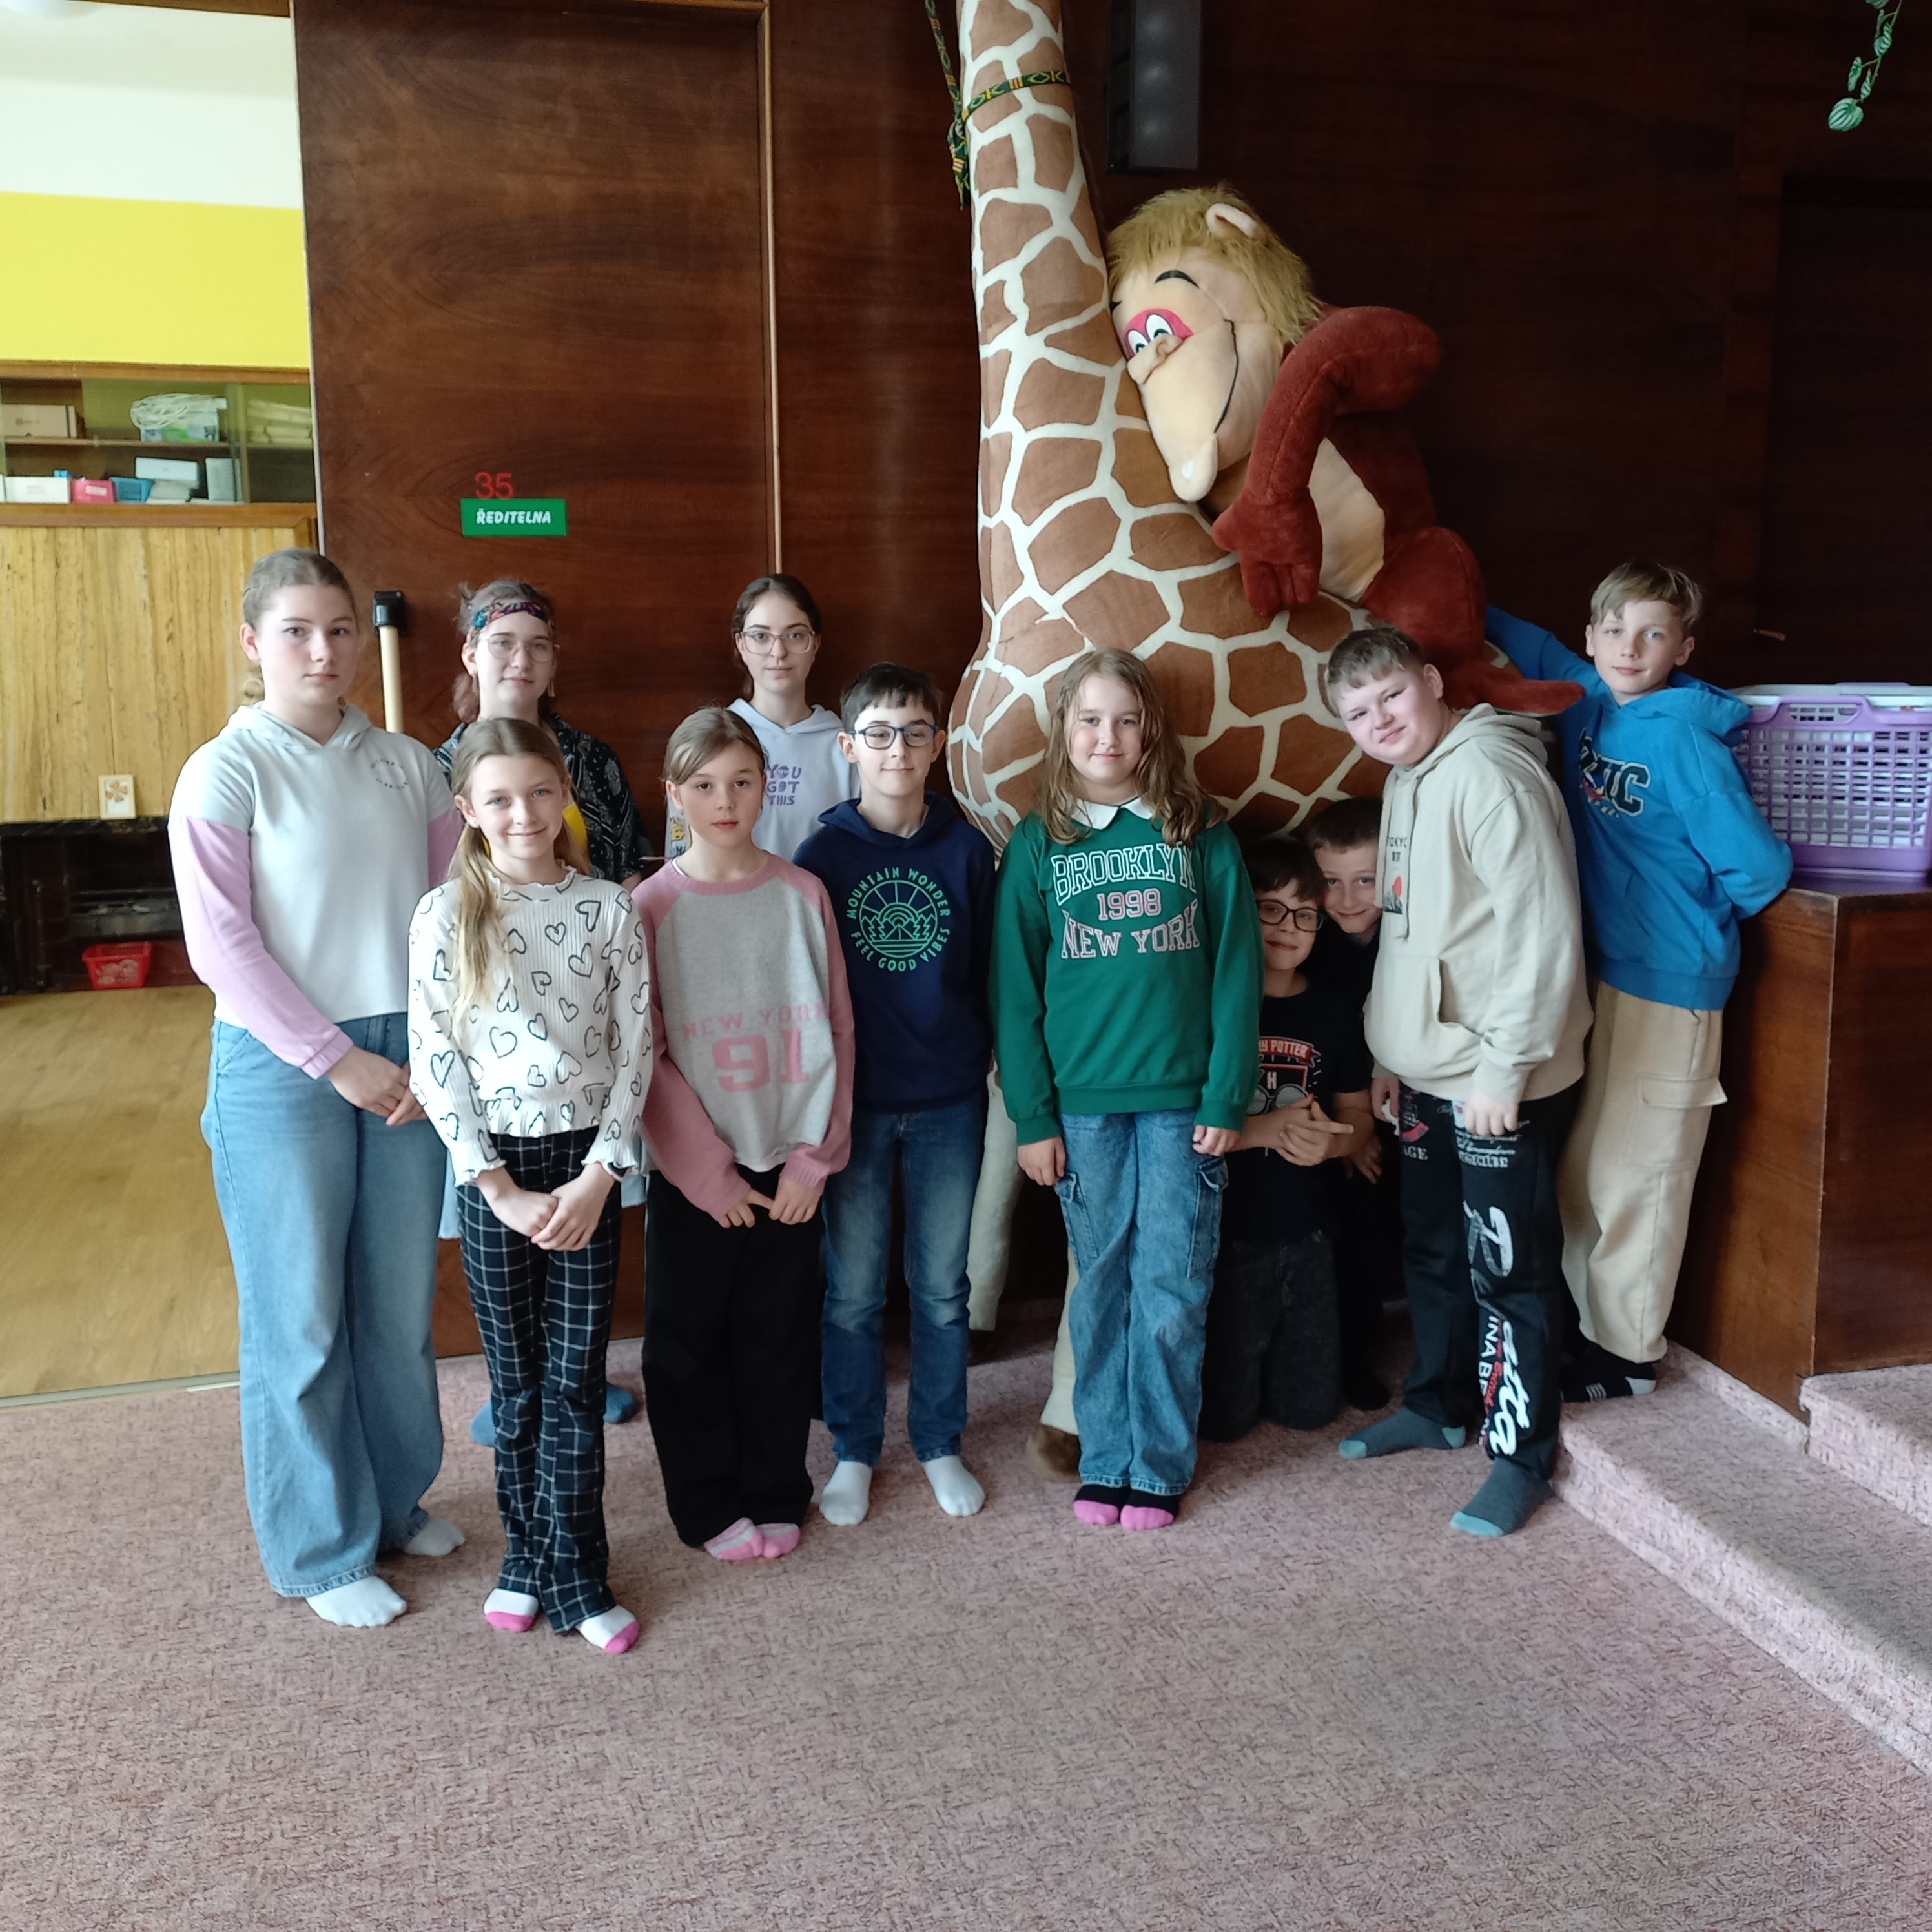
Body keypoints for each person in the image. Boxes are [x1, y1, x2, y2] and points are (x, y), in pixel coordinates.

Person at [170, 548, 464, 1629]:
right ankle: (320, 1551)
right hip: (282, 1061)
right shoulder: (225, 771)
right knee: (300, 1319)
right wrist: (335, 1059)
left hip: (405, 1056)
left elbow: (449, 915)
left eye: (339, 629)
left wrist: (430, 1050)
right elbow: (223, 945)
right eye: (296, 630)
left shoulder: (411, 766)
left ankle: (393, 1505)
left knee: (394, 1309)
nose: (323, 650)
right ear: (254, 642)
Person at [1489, 566, 1791, 1401]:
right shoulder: (1587, 695)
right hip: (1610, 972)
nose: (1631, 647)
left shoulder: (1685, 743)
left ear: (1683, 648)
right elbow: (1530, 643)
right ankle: (1592, 1329)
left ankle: (1628, 1356)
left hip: (1676, 983)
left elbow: (1760, 873)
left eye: (1653, 633)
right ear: (1592, 639)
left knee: (1642, 1173)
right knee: (1588, 1165)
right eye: (1615, 629)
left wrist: (1683, 918)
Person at [1326, 624, 1592, 1538]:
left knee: (1508, 1269)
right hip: (1429, 1074)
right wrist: (1390, 1051)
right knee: (1434, 1248)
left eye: (1391, 695)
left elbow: (1541, 933)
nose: (1379, 720)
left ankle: (1521, 1458)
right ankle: (1439, 1403)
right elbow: (1410, 935)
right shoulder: (1408, 777)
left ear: (1433, 681)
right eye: (1358, 712)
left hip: (1494, 1079)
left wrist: (1503, 1069)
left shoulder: (1489, 774)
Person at [994, 648, 1262, 1531]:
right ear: (1064, 730)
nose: (1106, 737)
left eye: (1125, 719)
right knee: (1100, 1286)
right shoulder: (1039, 840)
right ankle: (1106, 1459)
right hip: (1081, 1107)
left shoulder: (1199, 829)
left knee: (1172, 1283)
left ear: (1151, 730)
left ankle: (1159, 1465)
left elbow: (1236, 970)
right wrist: (1032, 1116)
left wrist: (1228, 1095)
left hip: (1185, 1102)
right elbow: (1015, 991)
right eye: (1089, 719)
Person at [409, 718, 652, 1654]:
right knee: (515, 1388)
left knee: (575, 1382)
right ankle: (526, 1559)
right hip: (495, 1175)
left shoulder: (608, 908)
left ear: (566, 795)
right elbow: (437, 1062)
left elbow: (637, 1050)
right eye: (500, 799)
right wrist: (498, 1188)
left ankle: (579, 1574)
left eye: (541, 792)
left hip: (586, 1167)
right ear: (468, 809)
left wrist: (600, 1175)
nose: (524, 814)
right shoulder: (443, 914)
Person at [435, 579, 653, 1445]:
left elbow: (630, 867)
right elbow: (436, 899)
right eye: (502, 642)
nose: (520, 659)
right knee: (506, 1263)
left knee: (582, 1253)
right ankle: (516, 1393)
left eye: (537, 643)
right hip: (489, 1049)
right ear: (472, 654)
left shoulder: (590, 761)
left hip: (587, 1030)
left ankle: (574, 1386)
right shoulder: (435, 764)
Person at [633, 708, 854, 1561]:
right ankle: (705, 1504)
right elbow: (646, 1052)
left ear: (768, 786)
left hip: (790, 1166)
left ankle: (774, 1488)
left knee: (778, 1340)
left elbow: (837, 1031)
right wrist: (708, 1175)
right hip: (698, 1179)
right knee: (687, 1346)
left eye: (742, 782)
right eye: (703, 785)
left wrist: (813, 1159)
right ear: (674, 795)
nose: (724, 801)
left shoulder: (802, 893)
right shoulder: (650, 907)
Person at [794, 663, 994, 1526]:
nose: (898, 750)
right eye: (878, 733)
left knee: (943, 1287)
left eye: (915, 732)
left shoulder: (968, 850)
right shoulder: (821, 857)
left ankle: (940, 1440)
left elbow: (986, 970)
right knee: (853, 1290)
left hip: (950, 1096)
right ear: (849, 747)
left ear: (938, 744)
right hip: (855, 1105)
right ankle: (855, 1447)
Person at [1199, 839, 1372, 1441]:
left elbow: (1357, 1115)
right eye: (1270, 909)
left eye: (1305, 915)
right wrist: (1263, 1131)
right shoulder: (1206, 1006)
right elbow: (1178, 1128)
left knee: (1310, 1412)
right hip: (1227, 1235)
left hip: (1308, 1233)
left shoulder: (1334, 1010)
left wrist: (1337, 1145)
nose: (1288, 928)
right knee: (1223, 1421)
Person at [1303, 797, 1404, 1410]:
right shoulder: (1312, 945)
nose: (1345, 900)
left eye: (1365, 880)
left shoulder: (1408, 935)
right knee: (1349, 1213)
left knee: (1388, 1214)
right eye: (1330, 882)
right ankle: (1345, 1348)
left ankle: (1373, 1333)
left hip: (1400, 1102)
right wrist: (1350, 1133)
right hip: (1330, 1109)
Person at [664, 573, 857, 865]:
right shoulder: (707, 741)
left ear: (815, 643)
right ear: (741, 644)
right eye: (761, 636)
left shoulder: (848, 747)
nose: (778, 652)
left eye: (795, 635)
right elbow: (680, 857)